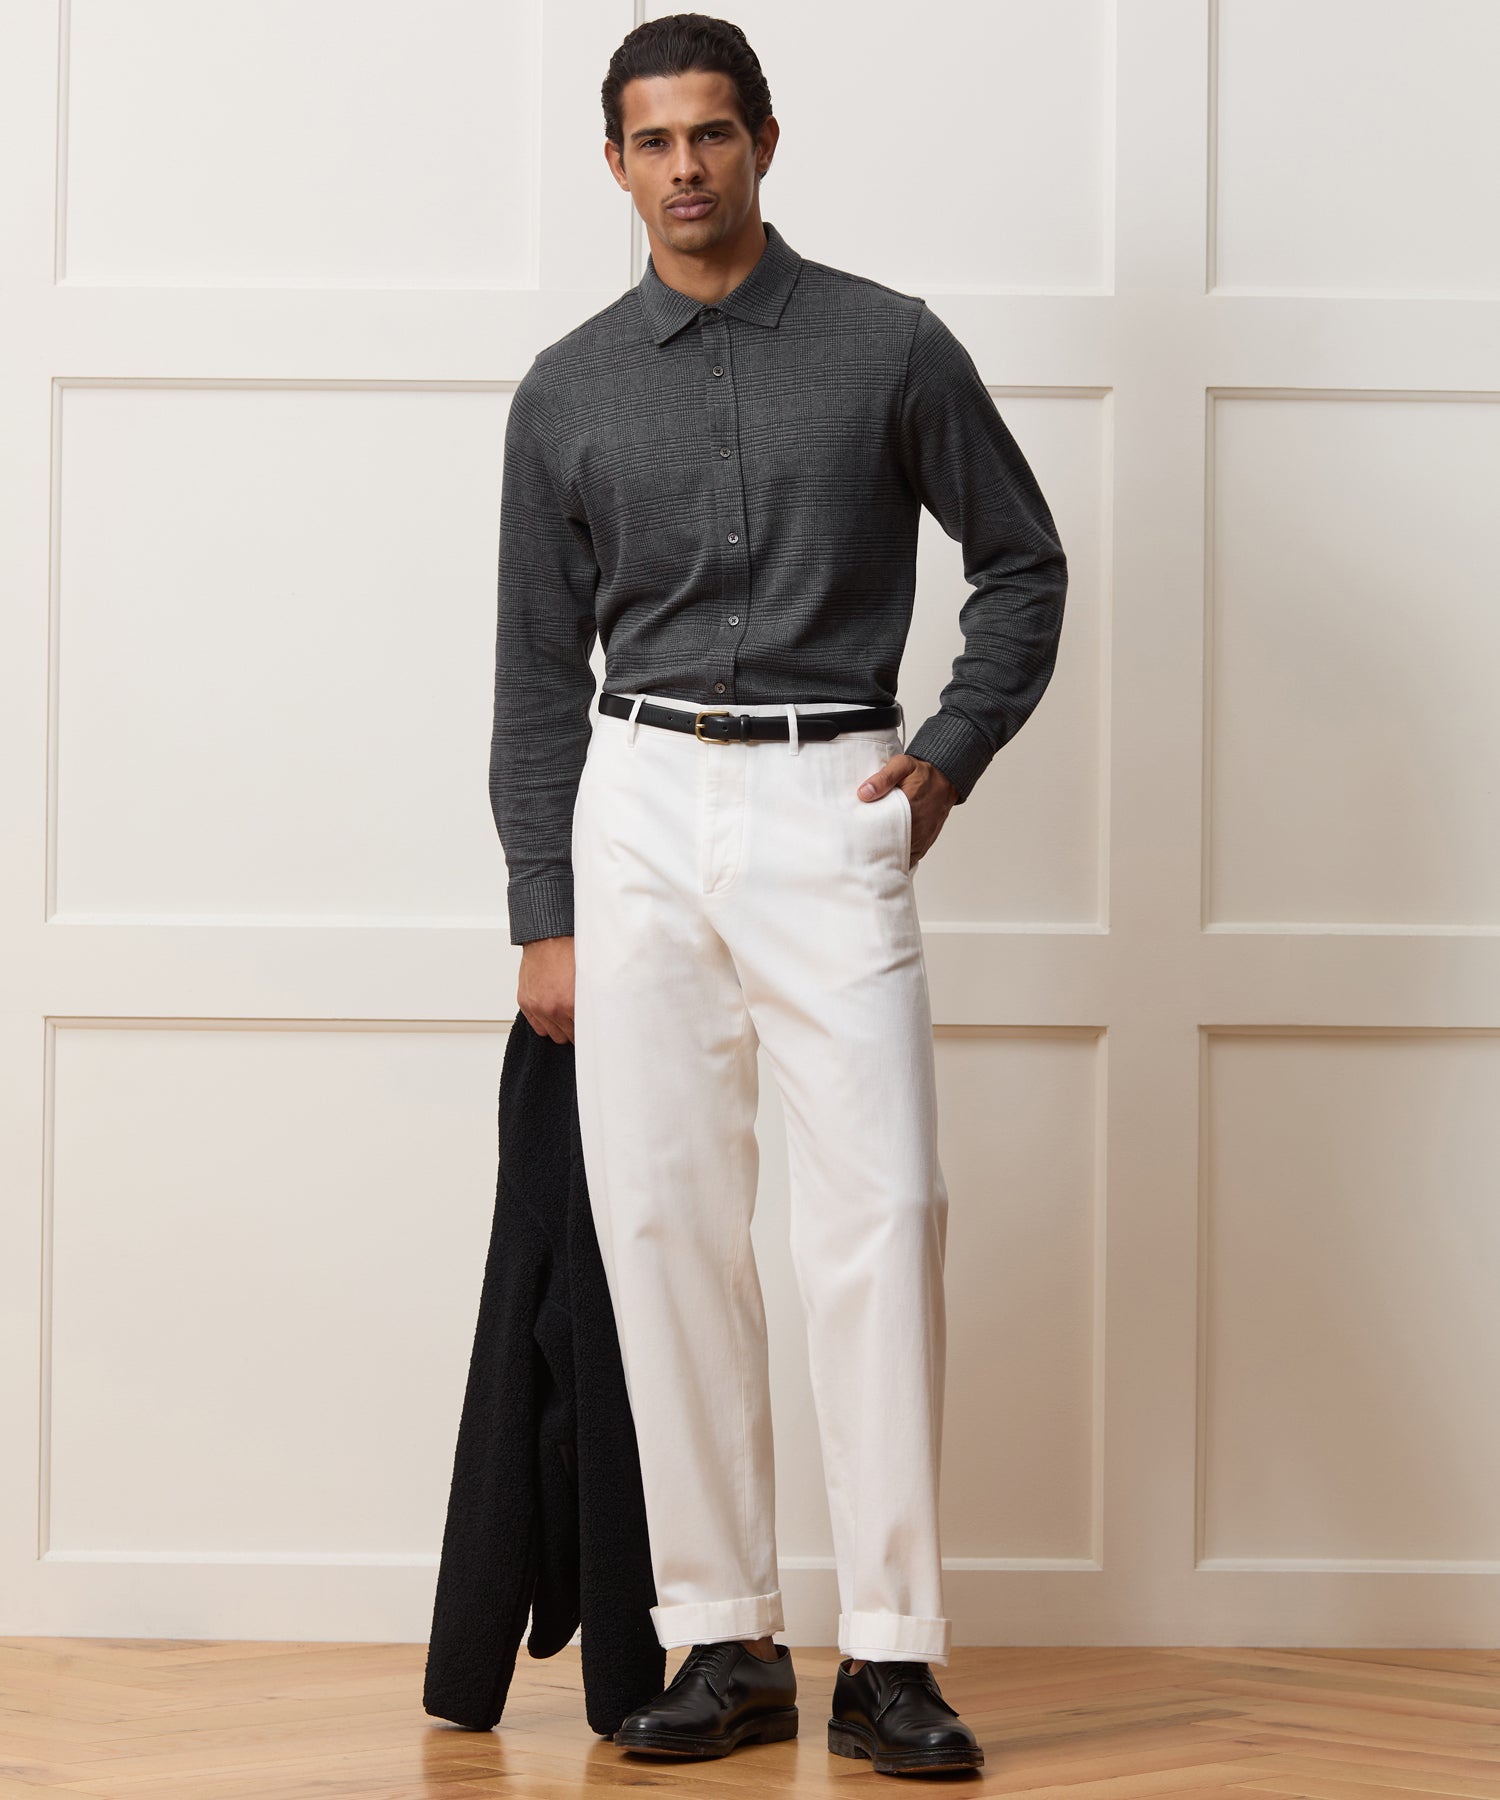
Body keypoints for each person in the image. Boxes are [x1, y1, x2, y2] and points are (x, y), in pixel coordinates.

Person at [488, 13, 1067, 1777]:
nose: (687, 167)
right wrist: (544, 908)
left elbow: (1024, 564)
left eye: (714, 133)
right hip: (638, 807)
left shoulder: (891, 345)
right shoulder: (567, 388)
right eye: (654, 140)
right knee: (665, 1226)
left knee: (882, 1214)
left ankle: (890, 1655)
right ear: (613, 163)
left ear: (764, 140)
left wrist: (947, 759)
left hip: (835, 795)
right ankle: (724, 1636)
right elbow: (535, 671)